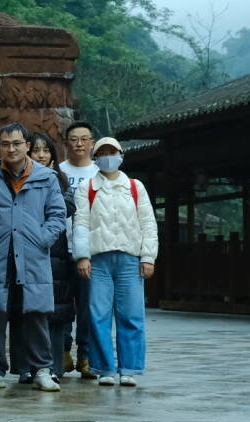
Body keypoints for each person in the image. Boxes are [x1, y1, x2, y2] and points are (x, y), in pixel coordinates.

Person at [0, 124, 68, 393]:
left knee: (36, 313)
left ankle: (42, 369)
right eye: (5, 144)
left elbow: (58, 215)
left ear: (27, 145)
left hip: (33, 256)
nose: (11, 149)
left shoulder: (46, 177)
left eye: (16, 143)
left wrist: (42, 238)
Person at [72, 137, 157, 388]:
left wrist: (148, 257)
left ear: (121, 155)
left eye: (112, 152)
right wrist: (82, 256)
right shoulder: (87, 187)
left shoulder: (134, 187)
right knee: (98, 315)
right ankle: (104, 368)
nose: (108, 156)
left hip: (130, 259)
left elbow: (148, 223)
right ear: (96, 158)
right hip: (98, 260)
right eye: (103, 153)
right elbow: (81, 223)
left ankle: (129, 368)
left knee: (131, 315)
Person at [29, 131, 77, 380]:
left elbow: (68, 207)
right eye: (36, 150)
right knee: (30, 312)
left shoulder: (61, 179)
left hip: (57, 254)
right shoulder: (19, 178)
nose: (41, 155)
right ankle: (30, 368)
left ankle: (55, 366)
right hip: (29, 252)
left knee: (57, 312)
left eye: (45, 150)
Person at [60, 120, 99, 379]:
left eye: (84, 139)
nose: (79, 144)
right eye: (74, 139)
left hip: (91, 250)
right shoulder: (58, 171)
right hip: (60, 248)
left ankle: (86, 354)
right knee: (62, 304)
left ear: (92, 143)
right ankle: (63, 351)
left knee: (88, 305)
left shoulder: (100, 172)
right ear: (66, 143)